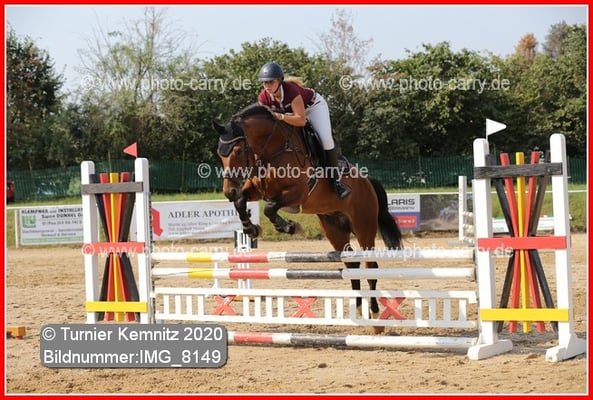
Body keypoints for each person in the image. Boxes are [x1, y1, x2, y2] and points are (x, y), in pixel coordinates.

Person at [257, 62, 351, 199]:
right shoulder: (263, 97)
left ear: (280, 81)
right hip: (291, 114)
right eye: (265, 82)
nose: (267, 86)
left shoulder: (291, 91)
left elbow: (301, 121)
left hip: (313, 108)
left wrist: (281, 117)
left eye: (271, 82)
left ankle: (336, 182)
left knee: (325, 139)